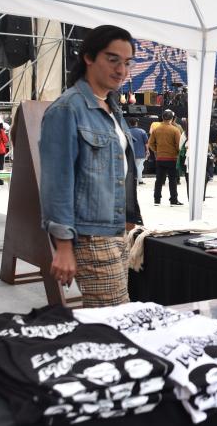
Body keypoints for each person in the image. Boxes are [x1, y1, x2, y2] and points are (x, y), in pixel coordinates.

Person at [39, 24, 143, 308]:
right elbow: (57, 182)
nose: (121, 69)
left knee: (107, 317)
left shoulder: (112, 107)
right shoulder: (67, 109)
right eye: (112, 59)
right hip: (91, 235)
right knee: (114, 318)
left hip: (117, 229)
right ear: (88, 57)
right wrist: (62, 246)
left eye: (126, 62)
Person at [147, 109, 183, 206]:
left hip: (160, 158)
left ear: (162, 118)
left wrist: (156, 150)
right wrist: (176, 152)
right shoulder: (175, 130)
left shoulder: (156, 129)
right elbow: (179, 145)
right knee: (172, 179)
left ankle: (157, 200)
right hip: (172, 158)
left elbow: (150, 143)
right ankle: (173, 200)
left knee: (159, 180)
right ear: (172, 118)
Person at [127, 118, 148, 185]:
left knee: (134, 167)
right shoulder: (142, 131)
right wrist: (147, 150)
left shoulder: (127, 132)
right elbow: (146, 143)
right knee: (140, 167)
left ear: (130, 123)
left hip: (130, 153)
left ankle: (133, 180)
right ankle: (140, 180)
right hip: (140, 153)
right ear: (136, 123)